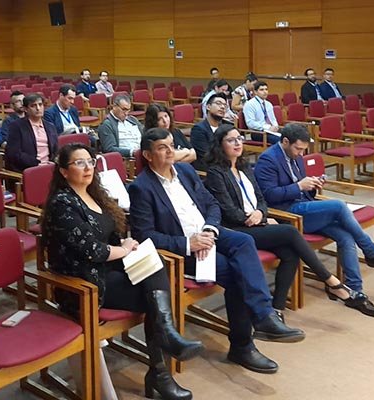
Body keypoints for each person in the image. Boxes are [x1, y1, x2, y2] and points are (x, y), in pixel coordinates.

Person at [129, 128, 307, 376]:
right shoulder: (141, 187)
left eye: (171, 145)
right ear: (148, 155)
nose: (170, 151)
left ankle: (264, 316)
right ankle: (243, 346)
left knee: (244, 241)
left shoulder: (186, 171)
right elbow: (144, 235)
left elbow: (211, 204)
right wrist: (188, 243)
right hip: (185, 250)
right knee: (236, 273)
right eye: (162, 147)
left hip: (210, 232)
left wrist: (210, 229)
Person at [42, 143, 204, 400]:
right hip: (84, 283)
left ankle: (163, 356)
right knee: (156, 299)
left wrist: (126, 244)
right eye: (79, 163)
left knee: (156, 268)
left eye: (91, 161)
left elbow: (111, 237)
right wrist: (124, 249)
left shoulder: (95, 194)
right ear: (63, 171)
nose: (88, 167)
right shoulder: (62, 203)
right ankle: (161, 369)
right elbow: (92, 250)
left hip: (109, 270)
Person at [203, 125, 374, 317]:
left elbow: (261, 199)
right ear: (220, 144)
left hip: (259, 220)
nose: (238, 143)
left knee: (291, 254)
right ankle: (334, 283)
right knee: (291, 232)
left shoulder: (244, 166)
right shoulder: (216, 172)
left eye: (239, 138)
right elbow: (228, 210)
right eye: (231, 140)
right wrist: (257, 219)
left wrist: (261, 213)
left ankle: (277, 309)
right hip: (238, 229)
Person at [253, 124, 374, 295]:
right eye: (298, 149)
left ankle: (354, 289)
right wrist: (299, 186)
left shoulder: (297, 156)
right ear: (285, 141)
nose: (301, 153)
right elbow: (268, 196)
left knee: (345, 236)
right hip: (288, 214)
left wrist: (312, 185)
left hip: (305, 207)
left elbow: (303, 188)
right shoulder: (268, 160)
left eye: (303, 149)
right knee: (339, 205)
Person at [5, 93, 58, 172]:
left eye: (40, 105)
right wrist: (38, 164)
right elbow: (14, 153)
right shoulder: (17, 126)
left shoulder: (50, 126)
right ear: (26, 109)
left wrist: (53, 162)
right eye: (33, 106)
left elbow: (55, 150)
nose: (38, 108)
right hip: (29, 168)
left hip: (50, 167)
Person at [189, 93, 233, 171]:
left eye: (225, 105)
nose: (222, 107)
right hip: (210, 168)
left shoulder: (228, 126)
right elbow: (206, 156)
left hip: (228, 164)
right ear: (208, 107)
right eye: (218, 103)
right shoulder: (199, 129)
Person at [243, 80, 281, 145]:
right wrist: (267, 128)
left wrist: (275, 126)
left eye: (266, 89)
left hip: (271, 130)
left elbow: (273, 119)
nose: (265, 92)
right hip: (258, 132)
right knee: (280, 140)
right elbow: (250, 123)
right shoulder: (250, 104)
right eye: (261, 90)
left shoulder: (268, 104)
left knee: (290, 136)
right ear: (255, 92)